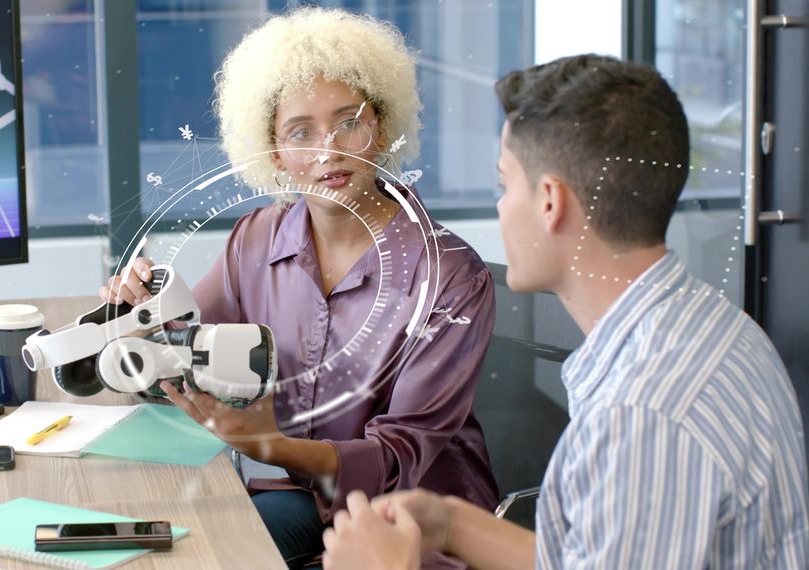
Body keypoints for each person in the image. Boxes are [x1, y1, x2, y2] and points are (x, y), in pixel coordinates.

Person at [321, 54, 809, 569]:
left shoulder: (642, 414)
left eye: (505, 185)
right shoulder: (706, 320)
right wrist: (451, 523)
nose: (500, 206)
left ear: (550, 201)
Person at [102, 7, 499, 569]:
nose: (327, 152)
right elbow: (182, 346)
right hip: (308, 501)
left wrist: (268, 447)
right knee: (174, 547)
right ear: (274, 151)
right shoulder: (257, 239)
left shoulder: (450, 276)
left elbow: (398, 458)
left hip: (414, 526)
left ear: (381, 127)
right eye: (300, 132)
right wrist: (138, 312)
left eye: (348, 122)